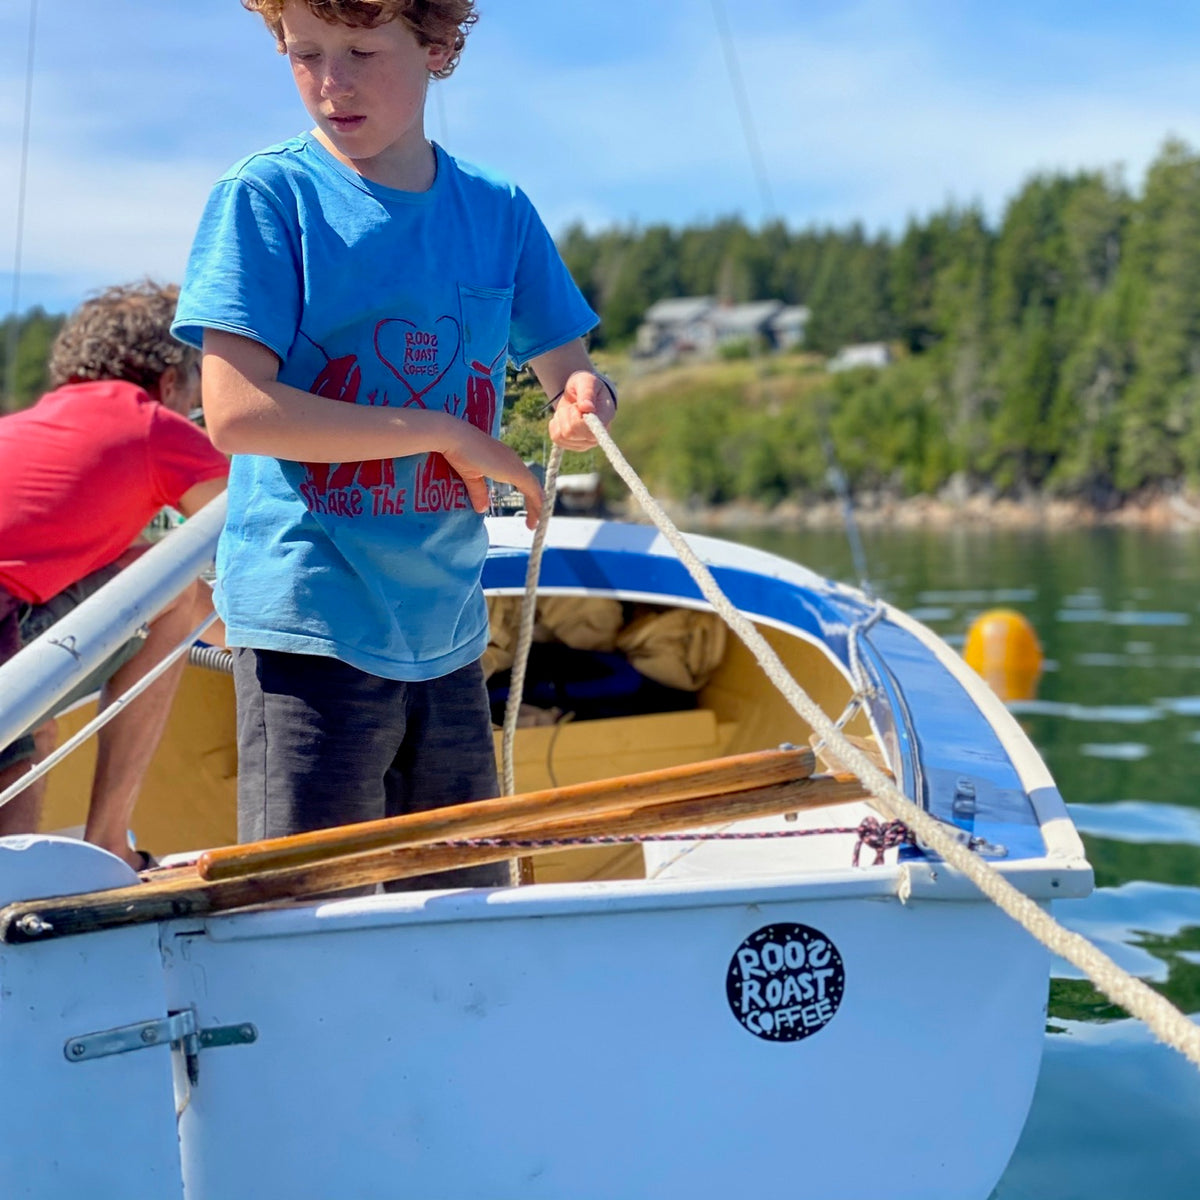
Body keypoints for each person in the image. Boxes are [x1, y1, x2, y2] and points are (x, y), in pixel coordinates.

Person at [171, 0, 616, 887]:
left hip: (447, 630)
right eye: (306, 55)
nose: (331, 83)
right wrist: (449, 435)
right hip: (308, 622)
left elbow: (572, 370)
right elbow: (238, 413)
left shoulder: (497, 212)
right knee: (302, 919)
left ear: (436, 45)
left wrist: (583, 402)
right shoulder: (266, 197)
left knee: (460, 914)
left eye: (362, 51)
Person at [0, 282, 230, 867]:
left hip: (11, 633)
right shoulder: (152, 425)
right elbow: (261, 527)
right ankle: (107, 842)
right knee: (174, 589)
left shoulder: (28, 426)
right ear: (171, 378)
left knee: (35, 734)